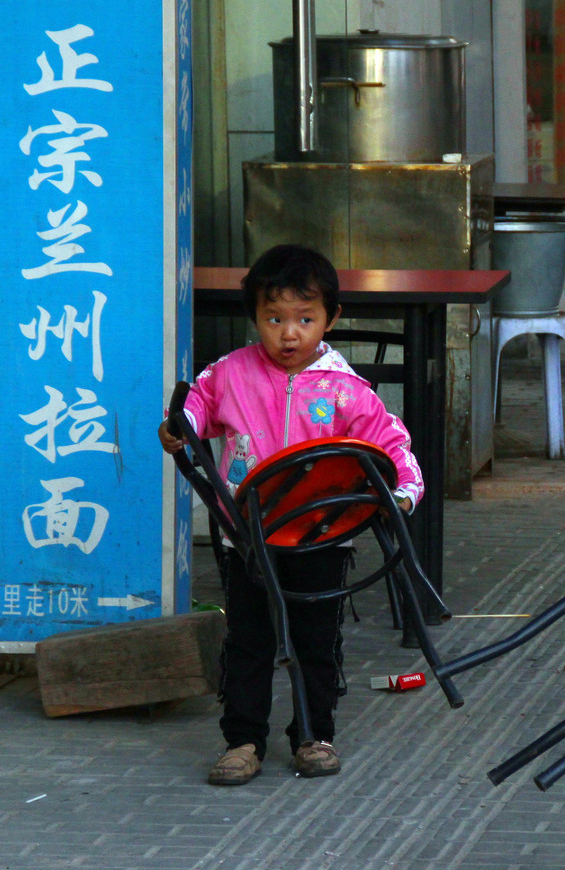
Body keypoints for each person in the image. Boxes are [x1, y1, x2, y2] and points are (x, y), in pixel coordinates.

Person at [159, 244, 423, 786]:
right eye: (273, 318)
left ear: (331, 318)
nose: (288, 334)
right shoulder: (229, 374)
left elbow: (392, 445)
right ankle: (242, 740)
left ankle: (312, 734)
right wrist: (178, 425)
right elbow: (197, 407)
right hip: (249, 536)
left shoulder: (347, 390)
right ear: (254, 315)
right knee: (249, 641)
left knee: (314, 640)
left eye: (305, 319)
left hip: (322, 538)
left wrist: (403, 493)